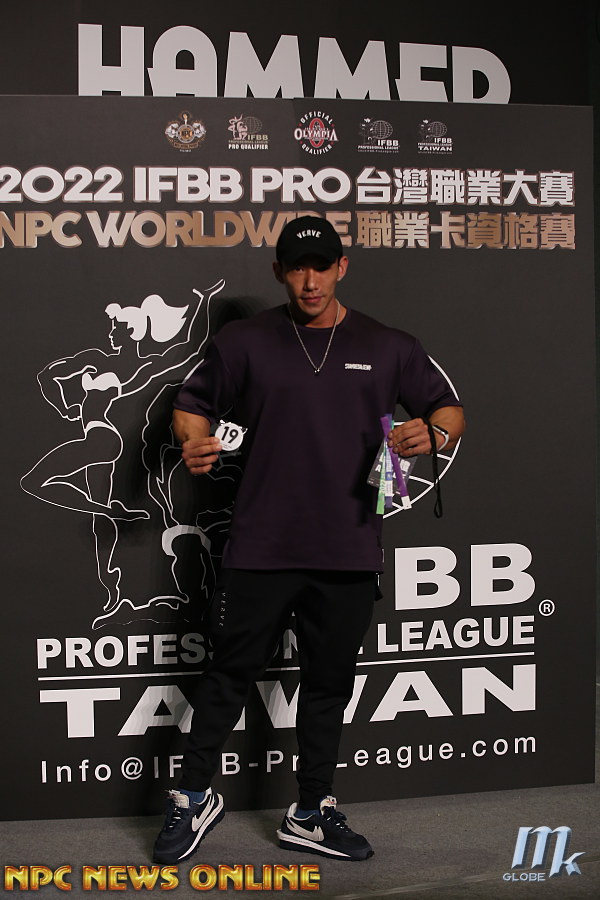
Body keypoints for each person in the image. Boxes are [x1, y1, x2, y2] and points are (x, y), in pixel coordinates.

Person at [153, 215, 465, 864]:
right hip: (261, 544)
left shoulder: (389, 345)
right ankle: (192, 797)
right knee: (227, 675)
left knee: (329, 684)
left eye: (322, 266)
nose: (310, 280)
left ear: (342, 266)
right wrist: (194, 441)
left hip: (348, 546)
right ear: (279, 272)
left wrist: (432, 434)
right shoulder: (245, 341)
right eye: (297, 267)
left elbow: (449, 409)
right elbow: (190, 406)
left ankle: (311, 811)